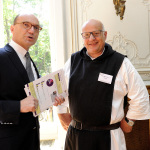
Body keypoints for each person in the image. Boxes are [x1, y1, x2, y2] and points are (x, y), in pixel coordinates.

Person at [57, 19, 150, 150]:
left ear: (105, 35)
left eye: (96, 33)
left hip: (109, 137)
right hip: (76, 137)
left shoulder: (120, 62)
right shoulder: (73, 61)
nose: (91, 38)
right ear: (82, 37)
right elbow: (60, 89)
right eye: (87, 35)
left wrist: (129, 121)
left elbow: (141, 95)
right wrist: (61, 112)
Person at [0, 13, 64, 150]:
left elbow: (30, 99)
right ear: (12, 28)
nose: (31, 30)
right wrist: (18, 106)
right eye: (26, 25)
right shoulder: (1, 58)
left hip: (31, 141)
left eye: (36, 27)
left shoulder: (29, 61)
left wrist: (51, 99)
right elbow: (22, 103)